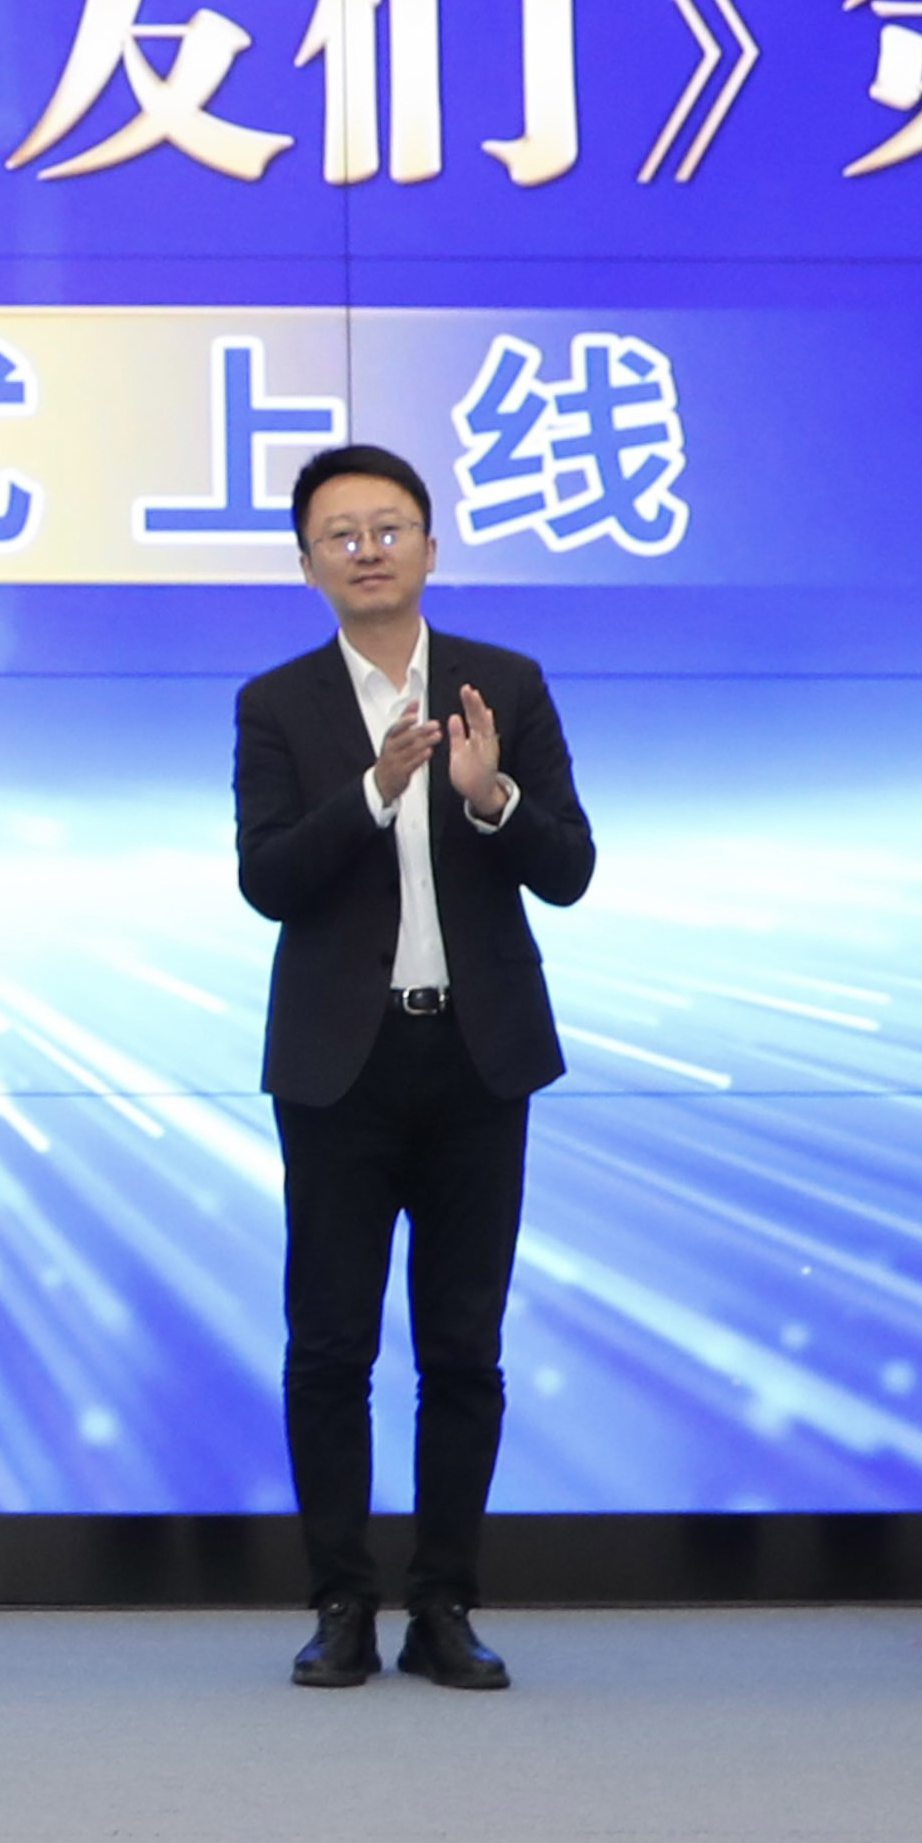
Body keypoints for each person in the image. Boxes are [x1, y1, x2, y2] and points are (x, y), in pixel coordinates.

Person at [230, 445, 595, 1693]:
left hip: (476, 1058)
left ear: (430, 549)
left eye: (388, 527)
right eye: (339, 533)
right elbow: (266, 880)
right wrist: (373, 790)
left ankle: (444, 1603)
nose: (366, 549)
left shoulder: (506, 683)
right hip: (339, 1064)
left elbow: (569, 870)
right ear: (307, 565)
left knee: (461, 1348)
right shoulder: (276, 704)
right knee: (329, 1346)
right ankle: (340, 1602)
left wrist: (491, 800)